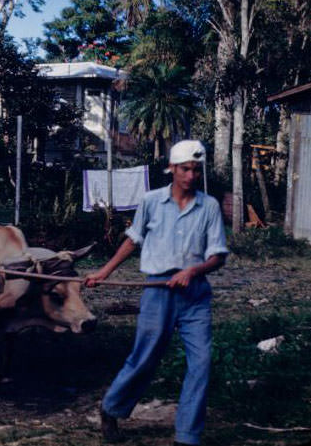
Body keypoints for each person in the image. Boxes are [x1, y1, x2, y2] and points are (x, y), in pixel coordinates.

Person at [85, 140, 229, 446]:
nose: (191, 175)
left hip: (195, 295)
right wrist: (102, 272)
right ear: (172, 169)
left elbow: (218, 256)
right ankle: (111, 408)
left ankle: (187, 436)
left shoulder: (210, 206)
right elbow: (131, 241)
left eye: (196, 170)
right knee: (145, 357)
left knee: (201, 363)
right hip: (157, 292)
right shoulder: (151, 201)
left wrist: (192, 271)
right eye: (185, 169)